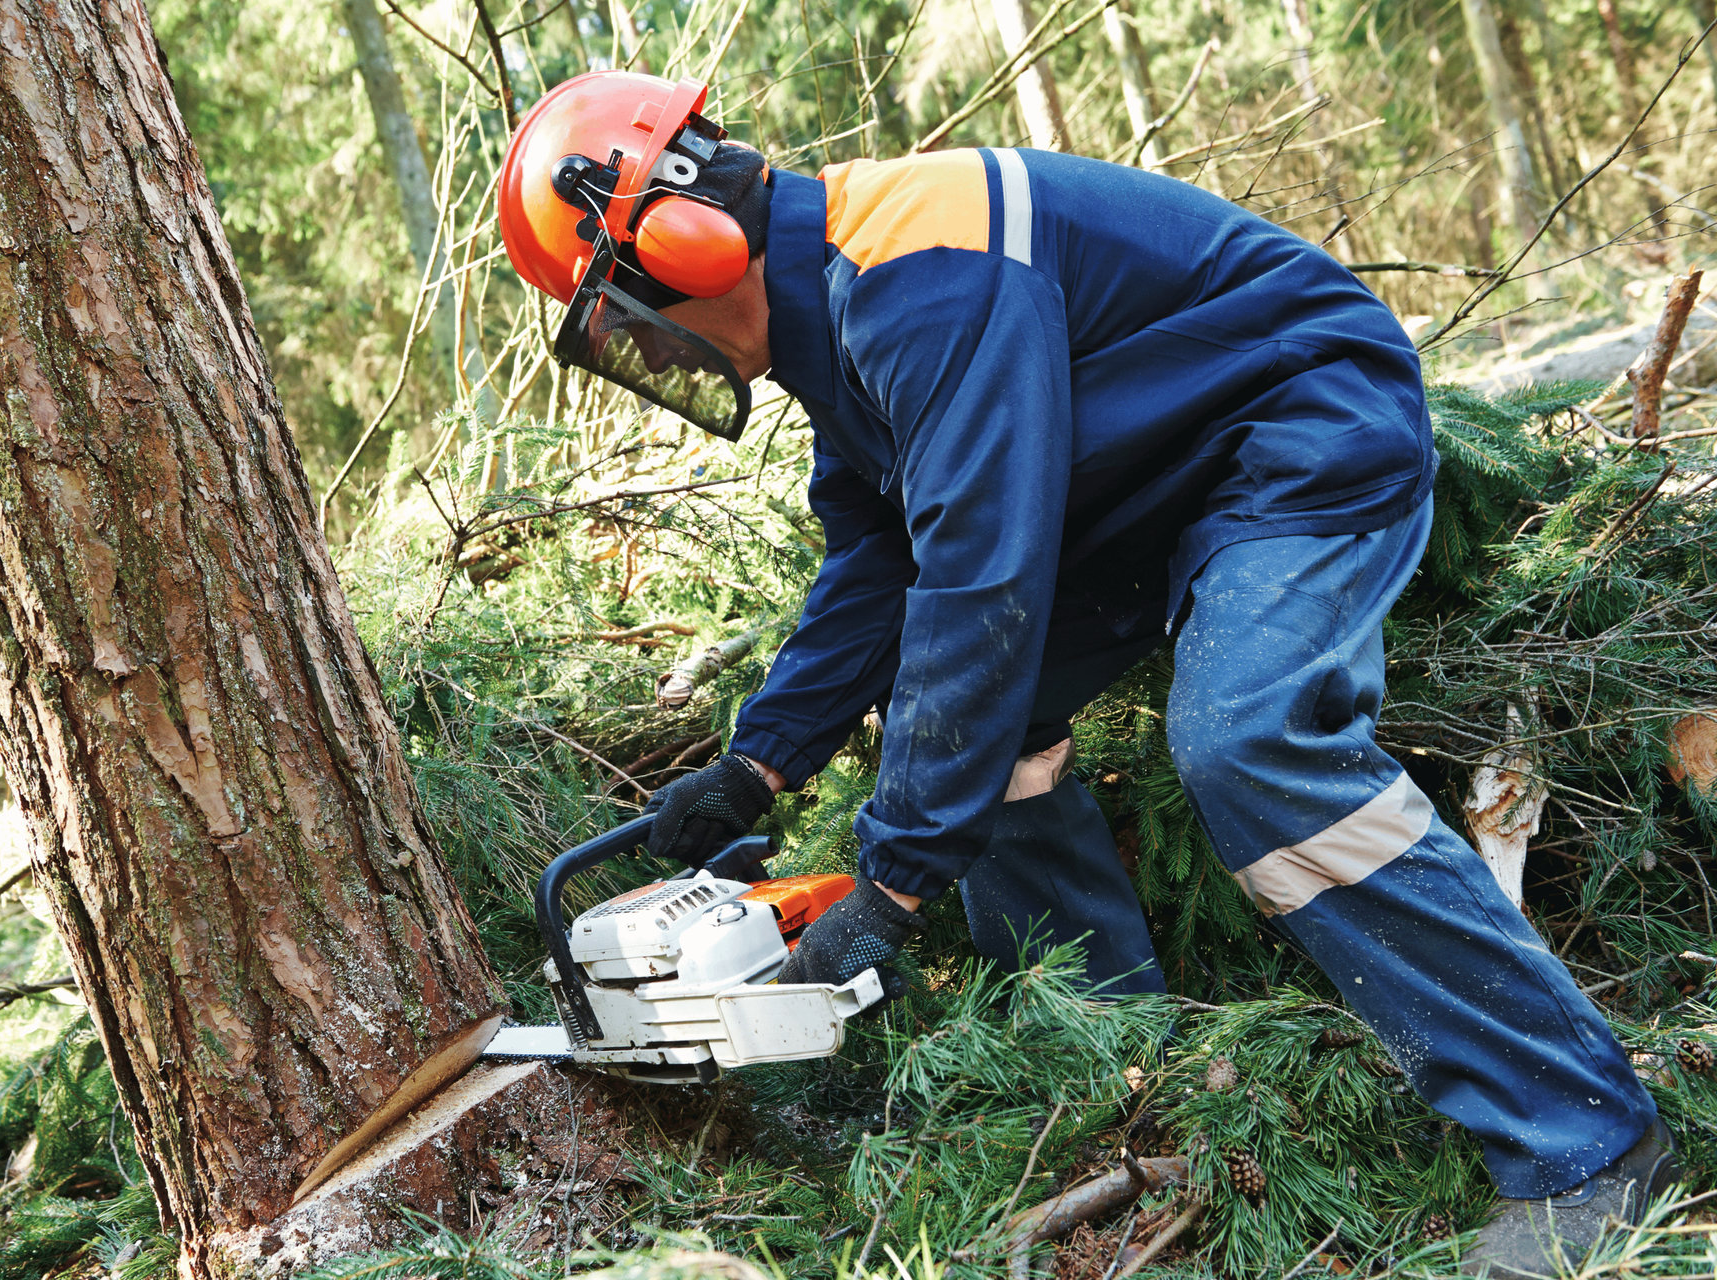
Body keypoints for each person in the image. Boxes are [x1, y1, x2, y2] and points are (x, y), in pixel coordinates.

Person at [494, 70, 1678, 1275]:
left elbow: (978, 580)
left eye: (625, 313)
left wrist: (892, 887)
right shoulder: (833, 319)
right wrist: (755, 765)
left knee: (1246, 737)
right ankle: (1110, 1065)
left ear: (684, 243)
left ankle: (1584, 1138)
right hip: (1143, 496)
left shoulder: (918, 268)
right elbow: (876, 564)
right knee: (970, 724)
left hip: (1300, 428)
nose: (642, 344)